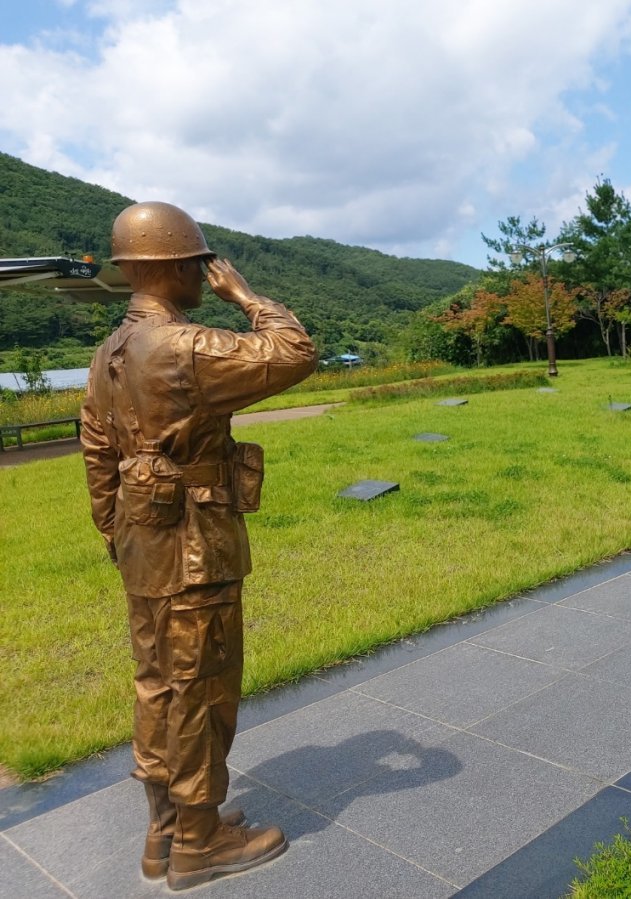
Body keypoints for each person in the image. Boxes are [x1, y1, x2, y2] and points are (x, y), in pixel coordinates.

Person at [81, 201, 317, 890]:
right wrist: (246, 297)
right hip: (193, 544)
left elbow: (97, 454)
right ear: (182, 266)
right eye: (199, 262)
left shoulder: (107, 355)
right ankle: (200, 838)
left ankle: (162, 830)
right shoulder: (185, 345)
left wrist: (116, 533)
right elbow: (293, 352)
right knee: (201, 685)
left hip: (141, 542)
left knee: (156, 681)